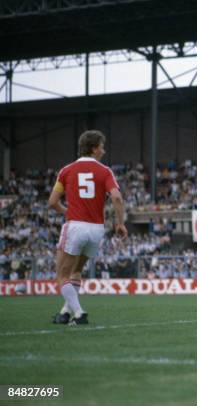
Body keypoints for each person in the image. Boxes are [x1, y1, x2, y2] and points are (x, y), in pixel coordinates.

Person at [49, 130, 127, 325]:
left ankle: (79, 313)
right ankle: (65, 313)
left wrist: (67, 211)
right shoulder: (105, 171)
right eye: (101, 146)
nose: (103, 150)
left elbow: (52, 202)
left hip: (75, 226)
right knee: (76, 271)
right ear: (93, 149)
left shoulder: (66, 170)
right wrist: (120, 223)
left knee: (61, 275)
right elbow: (116, 197)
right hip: (96, 230)